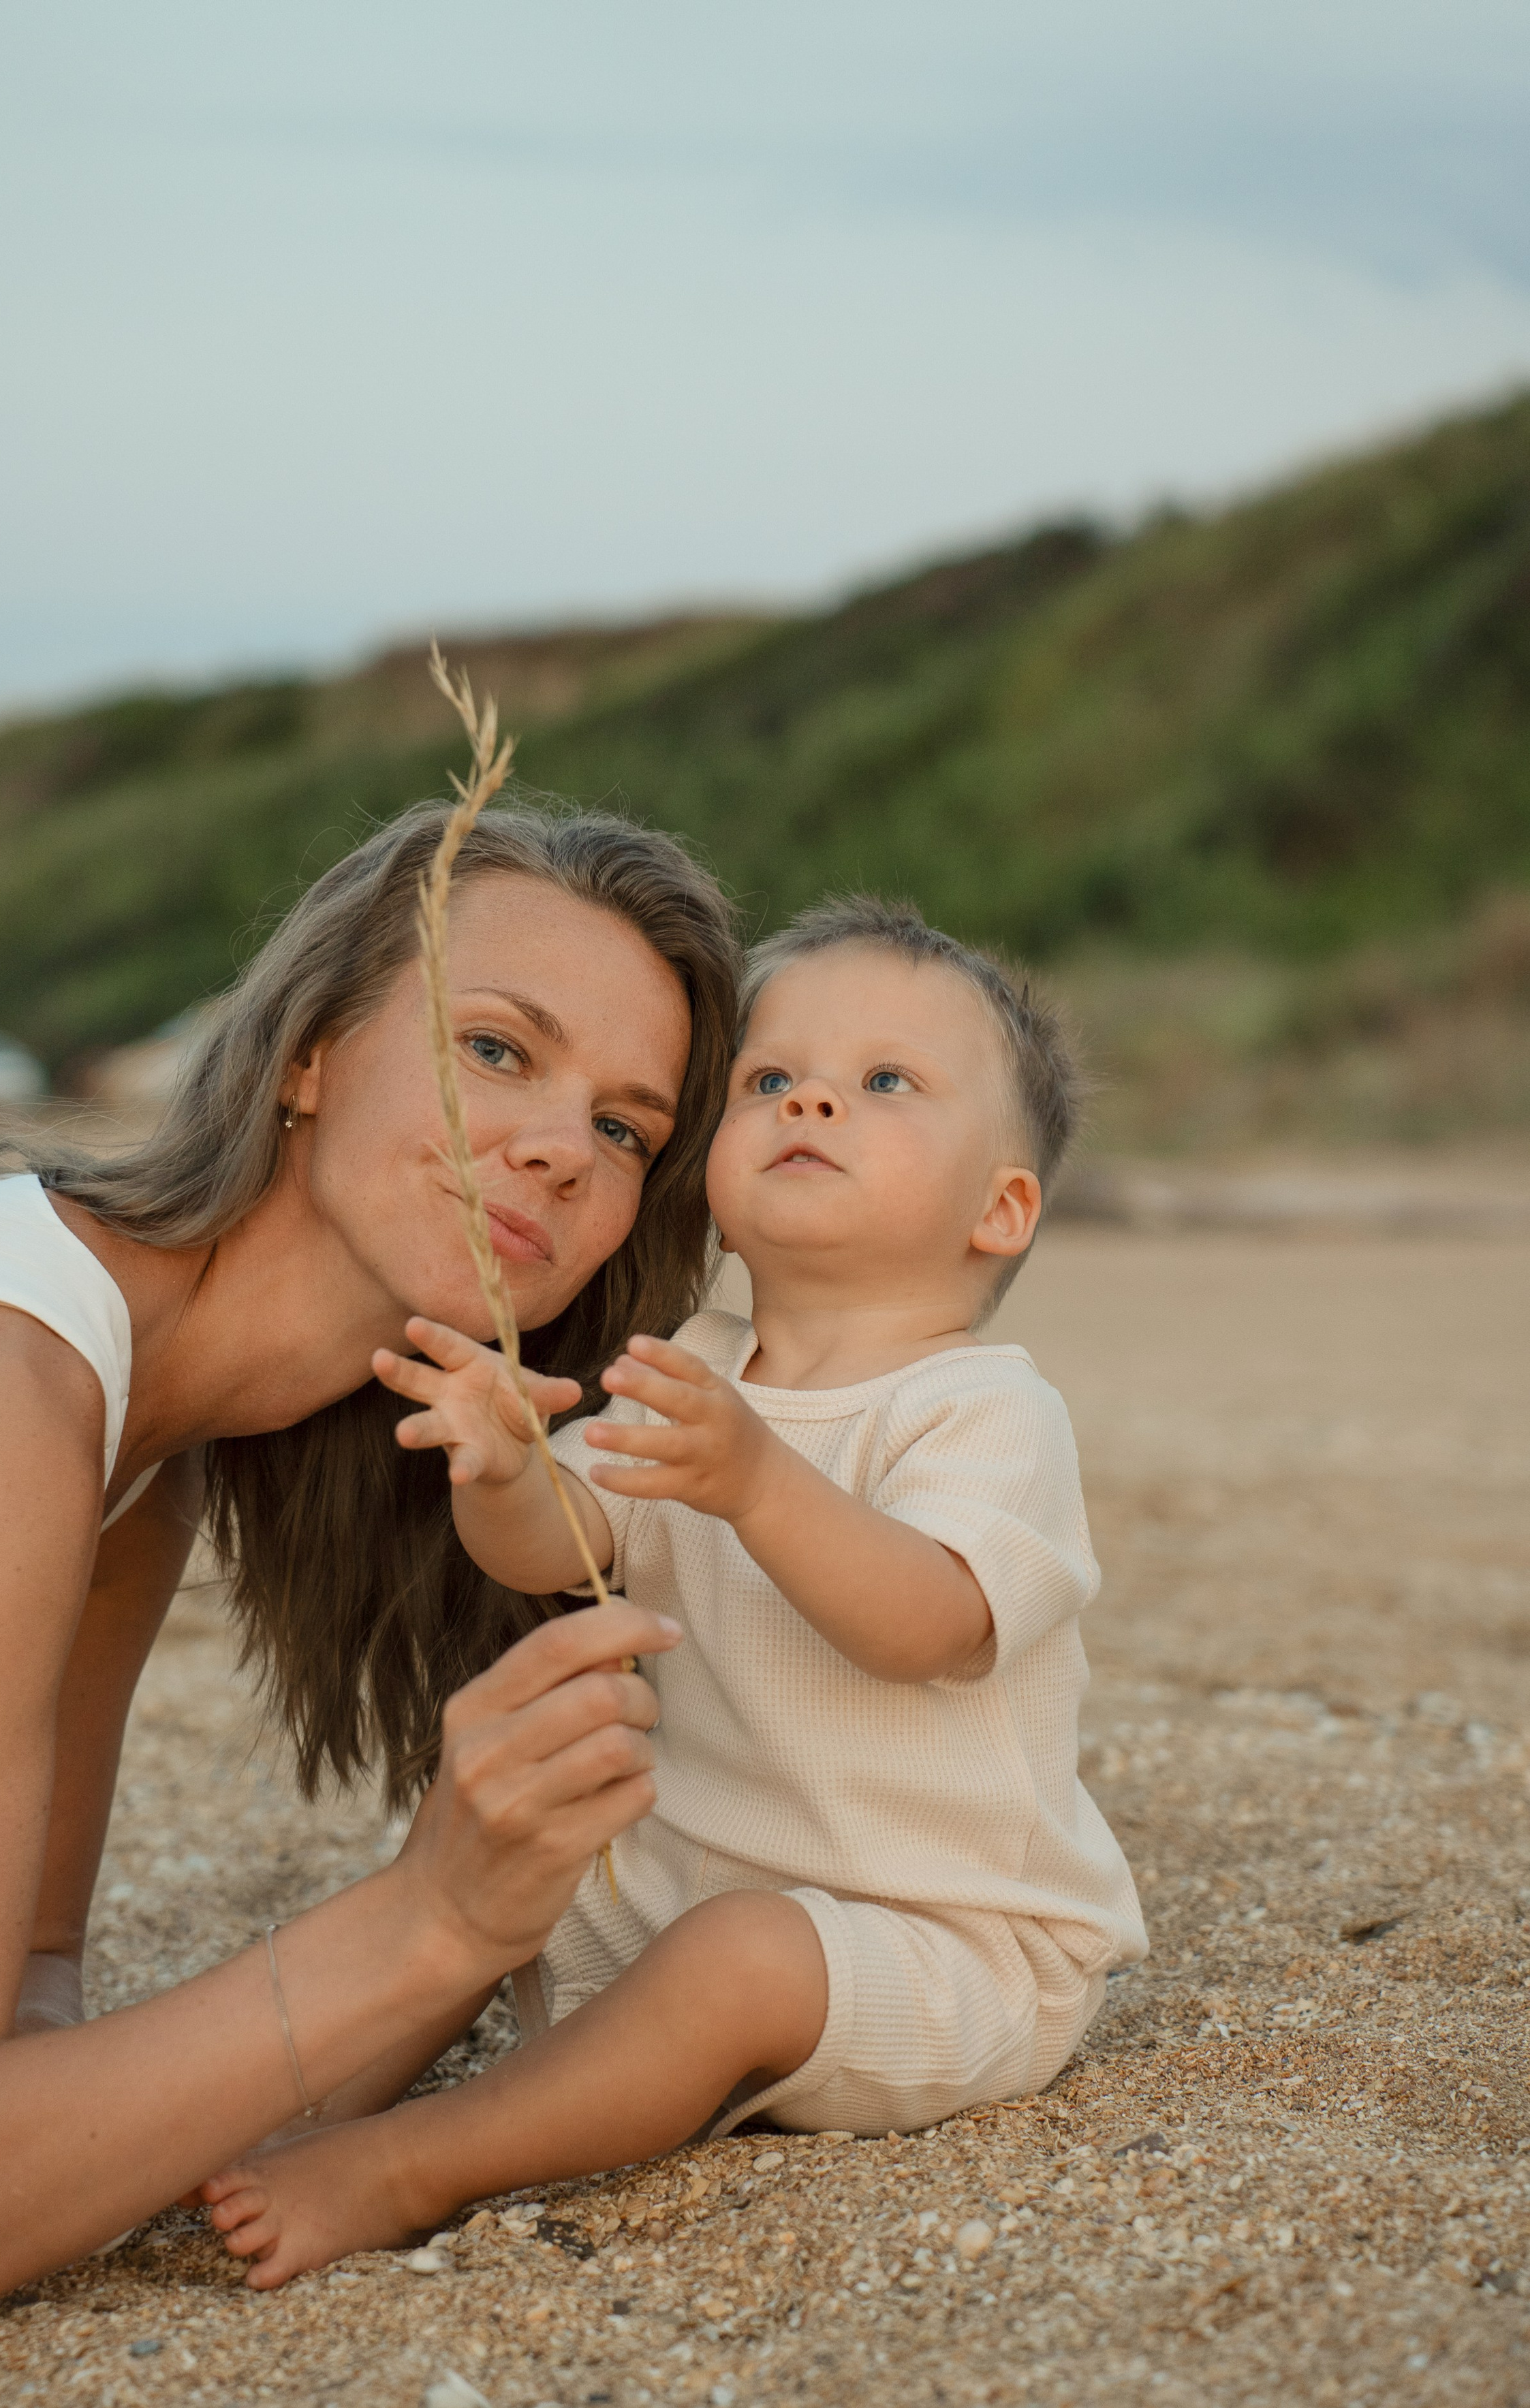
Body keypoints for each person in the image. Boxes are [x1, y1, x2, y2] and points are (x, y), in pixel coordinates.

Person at [0, 800, 741, 2332]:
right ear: (306, 1055)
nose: (562, 1146)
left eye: (624, 1126)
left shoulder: (139, 1444)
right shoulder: (0, 1389)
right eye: (494, 1047)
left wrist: (481, 1916)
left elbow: (28, 2040)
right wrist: (427, 1917)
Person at [201, 894, 1148, 2288]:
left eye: (884, 1083)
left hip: (932, 1944)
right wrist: (504, 1465)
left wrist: (756, 1482)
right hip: (688, 1883)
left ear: (1001, 1208)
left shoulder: (980, 1412)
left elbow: (930, 1626)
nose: (811, 1097)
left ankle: (414, 2165)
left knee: (735, 1967)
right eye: (771, 1079)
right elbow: (565, 1545)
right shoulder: (696, 1368)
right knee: (506, 1834)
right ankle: (305, 2090)